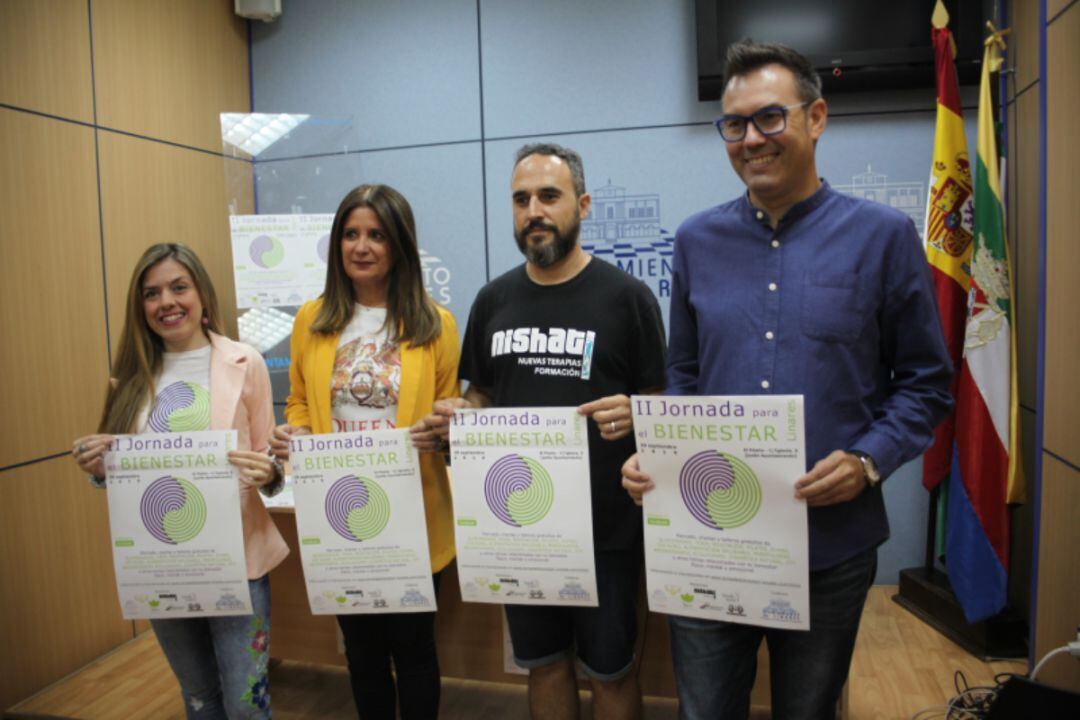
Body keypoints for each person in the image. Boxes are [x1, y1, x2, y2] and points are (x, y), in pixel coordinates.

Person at [621, 41, 954, 719]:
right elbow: (682, 373)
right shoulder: (695, 241)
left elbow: (926, 383)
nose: (751, 139)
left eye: (770, 118)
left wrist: (868, 461)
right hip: (710, 537)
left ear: (817, 117)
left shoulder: (883, 237)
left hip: (830, 545)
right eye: (735, 124)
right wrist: (661, 451)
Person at [416, 143, 666, 720]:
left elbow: (659, 402)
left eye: (548, 197)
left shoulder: (627, 299)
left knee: (611, 670)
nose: (534, 210)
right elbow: (482, 393)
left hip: (607, 529)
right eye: (521, 199)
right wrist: (462, 410)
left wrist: (637, 411)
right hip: (520, 523)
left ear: (581, 203)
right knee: (543, 663)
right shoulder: (493, 299)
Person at [72, 243, 289, 719]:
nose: (166, 301)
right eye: (152, 293)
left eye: (178, 287)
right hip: (163, 562)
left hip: (239, 560)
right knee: (198, 700)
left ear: (202, 296)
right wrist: (98, 468)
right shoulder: (127, 378)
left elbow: (270, 463)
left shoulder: (245, 361)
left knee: (247, 704)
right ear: (141, 308)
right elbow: (120, 475)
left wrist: (269, 472)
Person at [270, 184, 459, 720]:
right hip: (340, 513)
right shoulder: (312, 318)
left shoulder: (434, 323)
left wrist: (441, 428)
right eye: (351, 234)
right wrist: (296, 432)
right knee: (362, 654)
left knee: (416, 651)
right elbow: (300, 400)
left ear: (398, 244)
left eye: (376, 235)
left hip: (415, 516)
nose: (361, 246)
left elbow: (448, 412)